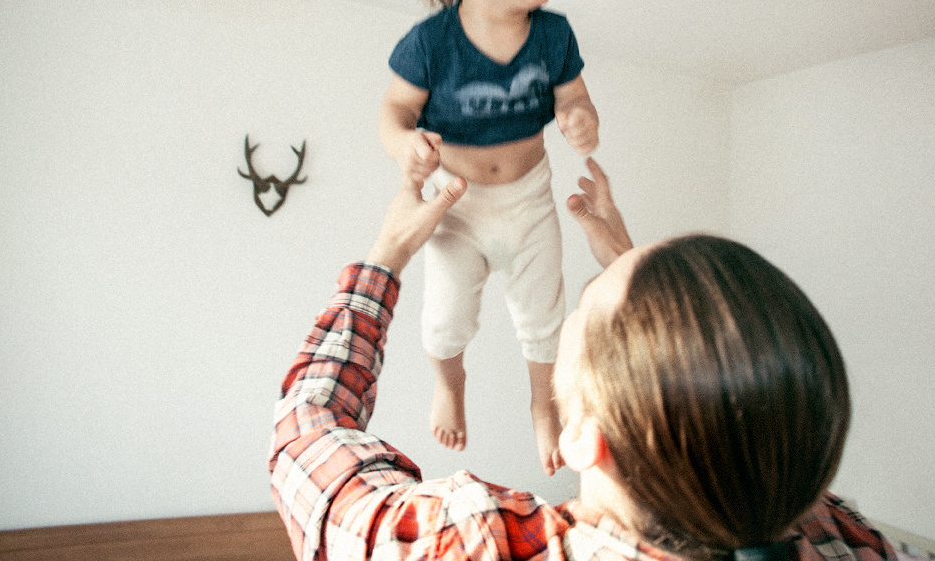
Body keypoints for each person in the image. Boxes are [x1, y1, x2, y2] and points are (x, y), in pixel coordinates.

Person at [269, 158, 898, 561]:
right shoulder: (832, 532)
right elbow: (723, 419)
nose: (573, 305)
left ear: (582, 440)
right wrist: (641, 272)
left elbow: (308, 434)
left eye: (585, 304)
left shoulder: (473, 543)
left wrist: (386, 253)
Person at [378, 0, 599, 473]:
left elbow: (575, 98)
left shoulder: (554, 35)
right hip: (459, 207)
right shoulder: (431, 43)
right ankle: (450, 384)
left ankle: (543, 404)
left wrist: (581, 117)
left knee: (544, 317)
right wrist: (405, 144)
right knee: (444, 321)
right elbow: (394, 111)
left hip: (530, 198)